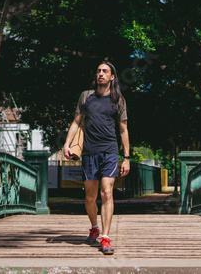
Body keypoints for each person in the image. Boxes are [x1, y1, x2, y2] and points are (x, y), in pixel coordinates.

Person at [63, 61, 130, 255]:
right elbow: (76, 122)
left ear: (112, 77)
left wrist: (126, 157)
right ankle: (94, 227)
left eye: (105, 71)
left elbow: (124, 130)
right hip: (89, 153)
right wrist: (67, 143)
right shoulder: (86, 97)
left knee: (107, 193)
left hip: (109, 151)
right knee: (90, 196)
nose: (101, 74)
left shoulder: (118, 100)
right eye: (99, 71)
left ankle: (106, 238)